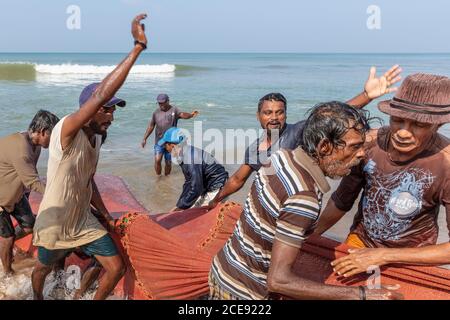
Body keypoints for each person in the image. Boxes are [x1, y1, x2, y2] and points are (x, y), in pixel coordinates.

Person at [209, 101, 402, 300]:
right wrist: (360, 294)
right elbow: (278, 281)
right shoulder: (303, 197)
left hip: (223, 269)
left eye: (362, 145)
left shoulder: (280, 158)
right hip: (243, 292)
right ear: (325, 146)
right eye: (354, 147)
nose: (361, 154)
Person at [31, 13, 148, 300]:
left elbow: (88, 180)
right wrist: (137, 48)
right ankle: (36, 297)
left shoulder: (95, 139)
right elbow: (100, 94)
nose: (111, 116)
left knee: (115, 266)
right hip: (56, 219)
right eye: (106, 109)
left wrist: (105, 215)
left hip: (82, 218)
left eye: (114, 111)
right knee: (41, 269)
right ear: (89, 110)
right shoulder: (67, 130)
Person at [208, 65, 402, 208]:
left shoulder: (299, 131)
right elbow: (237, 180)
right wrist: (215, 200)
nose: (274, 117)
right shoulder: (255, 148)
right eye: (268, 113)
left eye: (279, 112)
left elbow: (332, 116)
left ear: (285, 114)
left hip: (300, 202)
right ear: (258, 116)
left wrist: (367, 95)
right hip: (271, 203)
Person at [314, 73, 450, 278]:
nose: (403, 132)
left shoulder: (446, 163)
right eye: (397, 120)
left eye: (419, 125)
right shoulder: (370, 144)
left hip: (412, 255)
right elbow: (341, 201)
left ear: (437, 125)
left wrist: (383, 255)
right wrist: (311, 236)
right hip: (361, 242)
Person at [0, 110, 59, 275]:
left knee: (29, 226)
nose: (54, 140)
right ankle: (7, 271)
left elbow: (29, 175)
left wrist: (26, 195)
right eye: (52, 135)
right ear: (41, 132)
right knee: (8, 237)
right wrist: (59, 195)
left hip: (15, 195)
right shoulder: (21, 149)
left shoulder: (35, 146)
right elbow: (33, 182)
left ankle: (5, 245)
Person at [157, 127, 229, 211]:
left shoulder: (190, 158)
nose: (166, 149)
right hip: (205, 185)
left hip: (217, 187)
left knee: (201, 216)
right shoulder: (183, 154)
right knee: (187, 210)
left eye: (165, 146)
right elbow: (189, 182)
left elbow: (196, 187)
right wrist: (179, 204)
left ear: (172, 145)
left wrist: (180, 207)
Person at [141, 94, 199, 176]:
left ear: (168, 101)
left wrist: (191, 115)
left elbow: (182, 115)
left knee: (168, 162)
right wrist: (144, 138)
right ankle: (159, 177)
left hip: (171, 143)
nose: (161, 105)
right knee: (157, 160)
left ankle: (167, 178)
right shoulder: (156, 113)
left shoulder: (174, 110)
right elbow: (151, 126)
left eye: (163, 103)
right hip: (159, 141)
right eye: (159, 103)